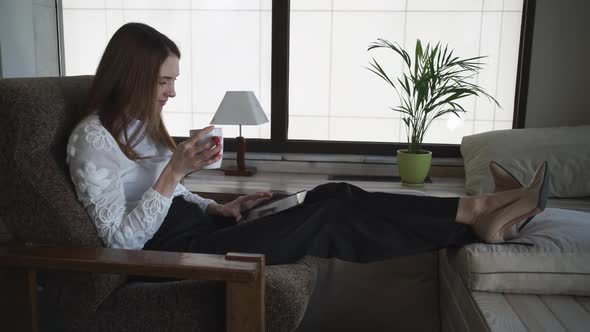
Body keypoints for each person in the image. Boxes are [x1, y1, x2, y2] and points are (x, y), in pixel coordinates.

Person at [66, 22, 549, 265]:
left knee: (331, 193)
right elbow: (119, 242)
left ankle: (476, 213)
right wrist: (175, 172)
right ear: (132, 76)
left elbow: (161, 193)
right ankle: (475, 217)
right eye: (163, 82)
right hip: (185, 253)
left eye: (173, 80)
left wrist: (219, 205)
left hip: (206, 229)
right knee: (329, 218)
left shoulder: (138, 125)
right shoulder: (92, 138)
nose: (172, 92)